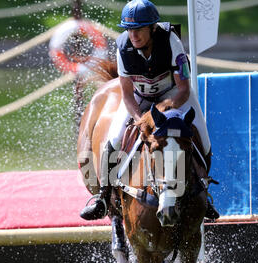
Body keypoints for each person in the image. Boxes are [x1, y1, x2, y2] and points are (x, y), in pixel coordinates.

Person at [80, 0, 219, 221]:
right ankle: (103, 197)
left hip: (174, 95)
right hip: (139, 98)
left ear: (152, 28)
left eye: (138, 30)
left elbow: (183, 89)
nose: (133, 35)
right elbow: (126, 94)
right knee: (112, 141)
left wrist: (164, 110)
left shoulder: (171, 41)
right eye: (129, 29)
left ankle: (203, 190)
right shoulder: (123, 46)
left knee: (203, 137)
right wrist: (139, 119)